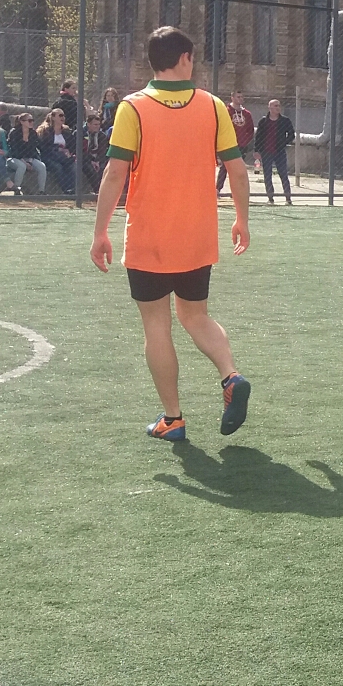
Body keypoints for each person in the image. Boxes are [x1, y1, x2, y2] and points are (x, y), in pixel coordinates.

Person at [91, 26, 252, 441]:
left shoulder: (132, 108)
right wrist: (241, 219)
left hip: (149, 240)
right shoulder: (213, 106)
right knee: (195, 316)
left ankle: (173, 419)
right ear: (184, 59)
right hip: (197, 237)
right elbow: (237, 171)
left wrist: (100, 231)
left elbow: (114, 173)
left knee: (157, 327)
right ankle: (230, 375)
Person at [252, 98, 295, 204]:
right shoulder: (263, 121)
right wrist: (256, 150)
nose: (278, 108)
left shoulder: (285, 121)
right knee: (267, 175)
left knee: (283, 174)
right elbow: (258, 137)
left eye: (279, 105)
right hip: (266, 152)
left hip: (279, 152)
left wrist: (283, 143)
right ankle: (270, 198)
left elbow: (291, 134)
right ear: (270, 107)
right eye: (275, 106)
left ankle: (288, 198)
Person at [217, 91, 256, 194]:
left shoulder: (247, 114)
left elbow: (250, 130)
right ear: (232, 98)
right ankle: (218, 188)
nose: (240, 99)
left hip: (242, 145)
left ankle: (236, 191)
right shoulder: (227, 111)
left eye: (242, 97)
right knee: (225, 167)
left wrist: (245, 141)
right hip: (228, 145)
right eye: (238, 97)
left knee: (238, 170)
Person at [6, 111, 48, 194]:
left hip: (30, 158)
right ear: (22, 122)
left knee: (42, 166)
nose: (32, 122)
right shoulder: (14, 132)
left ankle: (41, 191)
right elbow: (14, 150)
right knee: (22, 166)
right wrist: (25, 162)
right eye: (29, 121)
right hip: (14, 158)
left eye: (32, 120)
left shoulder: (33, 133)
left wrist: (31, 161)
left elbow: (36, 148)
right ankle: (16, 189)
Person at [41, 108, 78, 195]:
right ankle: (66, 189)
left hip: (64, 157)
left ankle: (73, 189)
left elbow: (72, 145)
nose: (63, 117)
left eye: (64, 115)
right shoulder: (45, 131)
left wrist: (69, 151)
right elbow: (43, 147)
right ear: (53, 117)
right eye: (60, 115)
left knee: (73, 166)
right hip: (49, 156)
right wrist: (57, 148)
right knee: (58, 167)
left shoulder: (66, 131)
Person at [80, 111, 109, 194]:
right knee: (90, 168)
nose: (98, 126)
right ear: (88, 124)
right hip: (85, 159)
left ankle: (103, 190)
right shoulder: (80, 134)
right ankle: (97, 191)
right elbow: (79, 151)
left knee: (103, 168)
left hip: (98, 159)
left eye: (99, 124)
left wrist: (98, 161)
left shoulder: (102, 135)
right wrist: (91, 161)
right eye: (95, 124)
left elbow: (103, 151)